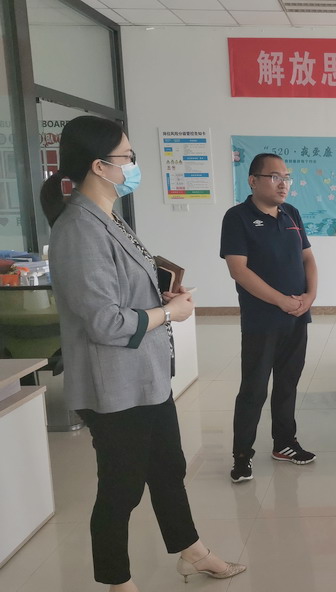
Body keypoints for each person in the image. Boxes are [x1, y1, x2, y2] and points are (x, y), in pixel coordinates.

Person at [41, 116, 245, 592]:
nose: (133, 166)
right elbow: (104, 321)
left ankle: (192, 552)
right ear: (99, 166)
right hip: (114, 386)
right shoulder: (78, 229)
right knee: (122, 487)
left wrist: (162, 294)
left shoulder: (108, 216)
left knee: (168, 469)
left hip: (146, 376)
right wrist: (168, 313)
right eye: (127, 157)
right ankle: (117, 582)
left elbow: (124, 288)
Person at [220, 153, 318, 482]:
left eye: (286, 177)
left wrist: (310, 296)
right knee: (254, 388)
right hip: (261, 320)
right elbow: (239, 270)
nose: (283, 184)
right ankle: (242, 455)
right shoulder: (237, 217)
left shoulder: (291, 213)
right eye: (275, 176)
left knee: (288, 384)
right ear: (253, 180)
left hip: (297, 316)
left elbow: (308, 259)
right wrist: (281, 302)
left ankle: (284, 443)